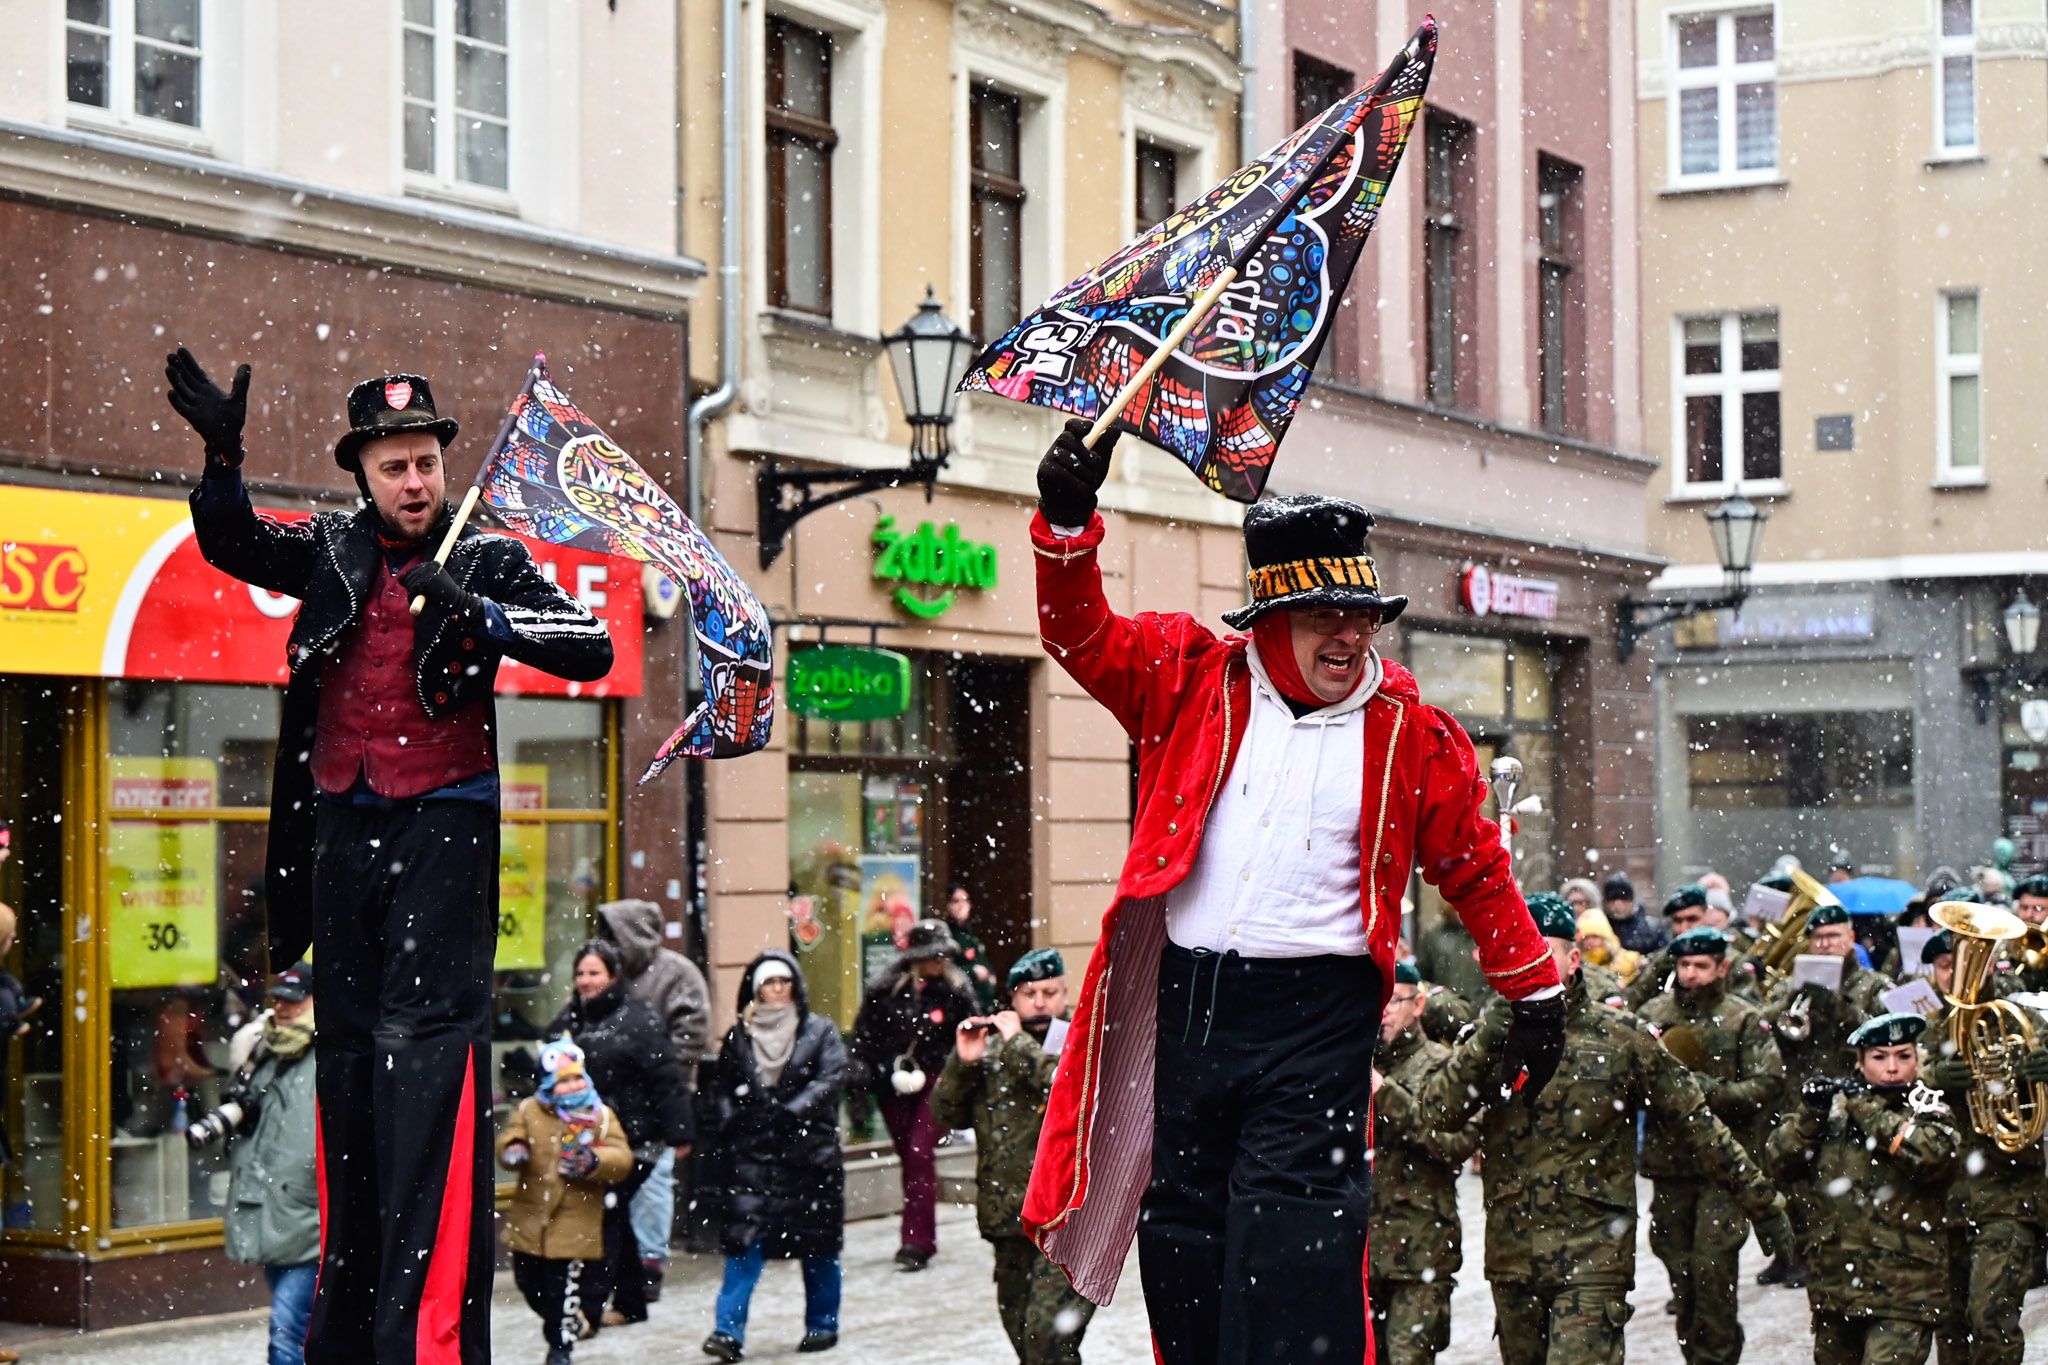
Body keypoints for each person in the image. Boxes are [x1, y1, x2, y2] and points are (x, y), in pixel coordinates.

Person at [1024, 423, 1566, 1364]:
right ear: (1269, 620)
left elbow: (1474, 865)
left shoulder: (1411, 732)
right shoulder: (1188, 674)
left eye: (1362, 614)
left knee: (1292, 1253)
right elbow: (1079, 636)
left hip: (1318, 1018)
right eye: (1325, 615)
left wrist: (1534, 993)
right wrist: (1068, 521)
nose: (1350, 634)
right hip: (1190, 1004)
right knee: (1187, 1241)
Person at [168, 348, 614, 1364]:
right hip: (340, 826)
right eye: (394, 469)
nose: (415, 484)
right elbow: (229, 539)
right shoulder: (330, 550)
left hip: (442, 826)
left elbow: (585, 645)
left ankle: (426, 1329)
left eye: (425, 464)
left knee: (427, 1058)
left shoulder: (486, 555)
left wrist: (486, 614)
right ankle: (353, 1320)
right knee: (353, 1059)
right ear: (361, 476)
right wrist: (223, 451)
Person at [1416, 897, 1792, 1365]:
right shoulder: (1493, 1034)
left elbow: (1698, 1127)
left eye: (1541, 952)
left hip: (1593, 1251)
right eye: (1517, 955)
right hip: (1514, 1256)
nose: (1528, 966)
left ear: (1574, 960)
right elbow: (1436, 1114)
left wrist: (1764, 1204)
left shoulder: (1622, 1038)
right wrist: (1488, 1041)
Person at [1764, 1013, 1960, 1364]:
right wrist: (1811, 1115)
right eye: (1879, 1057)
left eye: (1903, 1056)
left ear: (1918, 1058)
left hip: (1906, 1290)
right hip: (1837, 1288)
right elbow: (1779, 1162)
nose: (1892, 1068)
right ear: (1860, 1061)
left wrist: (1865, 1107)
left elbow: (1929, 1156)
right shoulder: (1834, 1113)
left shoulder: (1928, 1107)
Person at [933, 948, 1094, 1365]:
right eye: (1028, 993)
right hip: (1009, 1218)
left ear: (1064, 992)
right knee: (1025, 1339)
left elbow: (1067, 1089)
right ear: (1011, 997)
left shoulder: (1083, 1040)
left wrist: (1018, 1044)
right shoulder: (992, 1051)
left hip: (1068, 1222)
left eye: (1049, 991)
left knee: (1047, 1339)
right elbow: (945, 1115)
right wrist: (962, 1064)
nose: (1040, 1002)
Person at [1637, 929, 1785, 1365]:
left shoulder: (1743, 1018)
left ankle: (1718, 1357)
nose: (1691, 975)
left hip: (1725, 1168)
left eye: (1701, 966)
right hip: (1670, 1167)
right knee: (1681, 1273)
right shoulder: (1654, 1014)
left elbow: (1768, 1083)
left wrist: (1707, 1093)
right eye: (1684, 966)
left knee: (1713, 1269)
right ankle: (1696, 1353)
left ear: (1722, 967)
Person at [703, 952, 846, 1362]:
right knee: (743, 1246)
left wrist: (792, 1111)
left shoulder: (819, 1031)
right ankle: (726, 1331)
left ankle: (823, 1324)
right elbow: (724, 1090)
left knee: (818, 1247)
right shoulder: (739, 1036)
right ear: (756, 988)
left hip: (808, 1156)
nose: (777, 989)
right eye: (769, 982)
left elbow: (832, 1076)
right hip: (753, 1157)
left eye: (784, 981)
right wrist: (739, 1122)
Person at [546, 941, 694, 1332]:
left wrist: (680, 1133)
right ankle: (631, 1301)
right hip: (588, 1140)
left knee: (604, 1213)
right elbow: (548, 1069)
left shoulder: (639, 1019)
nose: (586, 981)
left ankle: (587, 1311)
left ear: (612, 975)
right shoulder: (570, 1020)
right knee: (614, 1214)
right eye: (580, 974)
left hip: (636, 1140)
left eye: (594, 973)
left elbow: (666, 1080)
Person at [1918, 930, 2048, 1365]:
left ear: (1991, 963)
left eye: (1967, 961)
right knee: (1950, 1324)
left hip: (2010, 1193)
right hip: (1942, 1198)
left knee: (1991, 1317)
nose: (1956, 974)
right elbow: (1886, 1090)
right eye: (1945, 966)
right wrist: (1934, 1076)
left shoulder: (2024, 1019)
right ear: (1932, 973)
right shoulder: (1919, 1030)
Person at [1757, 899, 1892, 1291]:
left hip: (1852, 1100)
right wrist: (1792, 1000)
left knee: (1843, 1183)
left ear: (1850, 939)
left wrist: (1838, 1007)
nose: (1826, 944)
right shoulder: (1793, 982)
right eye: (1819, 938)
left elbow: (1880, 1035)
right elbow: (1763, 1025)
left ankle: (1842, 1258)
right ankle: (1794, 1254)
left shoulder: (1873, 984)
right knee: (1793, 1183)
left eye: (1834, 936)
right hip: (1800, 1097)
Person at [595, 897, 712, 1303]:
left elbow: (692, 1033)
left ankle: (649, 1262)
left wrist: (657, 1073)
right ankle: (620, 1264)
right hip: (611, 1100)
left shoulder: (677, 973)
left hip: (662, 1099)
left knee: (653, 1181)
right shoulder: (610, 974)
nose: (607, 942)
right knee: (618, 1180)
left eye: (614, 933)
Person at [847, 919, 977, 1271]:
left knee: (920, 1152)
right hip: (893, 1083)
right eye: (934, 955)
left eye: (944, 955)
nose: (940, 962)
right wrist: (869, 1079)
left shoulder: (956, 991)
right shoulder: (885, 991)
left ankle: (917, 1241)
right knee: (910, 1157)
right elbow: (864, 1039)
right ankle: (917, 1230)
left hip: (938, 1082)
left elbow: (972, 1038)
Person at [1368, 962, 1480, 1364]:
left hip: (1419, 1252)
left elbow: (1454, 1142)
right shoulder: (1349, 1061)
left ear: (1417, 1005)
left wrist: (1385, 1094)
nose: (1383, 1011)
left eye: (1393, 1001)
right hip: (1357, 1252)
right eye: (1377, 1001)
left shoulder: (1441, 1065)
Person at [498, 1035, 634, 1365]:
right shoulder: (530, 1110)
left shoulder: (600, 1115)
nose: (573, 1086)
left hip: (576, 1220)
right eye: (563, 1081)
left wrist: (595, 1162)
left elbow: (623, 1158)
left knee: (561, 1290)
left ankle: (560, 1348)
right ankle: (564, 1322)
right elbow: (509, 1138)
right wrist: (513, 1150)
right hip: (532, 1219)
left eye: (577, 1077)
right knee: (528, 1283)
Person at [220, 964, 321, 1365]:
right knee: (303, 1329)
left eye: (294, 1001)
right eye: (278, 999)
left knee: (286, 1328)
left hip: (310, 1218)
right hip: (274, 1212)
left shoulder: (332, 1051)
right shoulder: (263, 1050)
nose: (283, 1008)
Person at [1623, 884, 1712, 1009]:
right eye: (1678, 921)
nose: (1684, 928)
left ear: (1707, 917)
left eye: (1692, 919)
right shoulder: (1661, 960)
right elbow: (1632, 1002)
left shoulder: (1726, 958)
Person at [942, 881, 1000, 1012]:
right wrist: (973, 972)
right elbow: (947, 968)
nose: (962, 905)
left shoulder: (971, 933)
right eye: (956, 901)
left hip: (982, 1003)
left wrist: (990, 974)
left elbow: (981, 958)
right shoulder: (947, 934)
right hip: (962, 1004)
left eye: (965, 900)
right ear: (948, 905)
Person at [1602, 872, 1671, 955]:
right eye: (1612, 899)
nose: (1618, 904)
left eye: (1623, 899)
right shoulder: (1599, 928)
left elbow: (1663, 958)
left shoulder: (1652, 929)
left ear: (1632, 901)